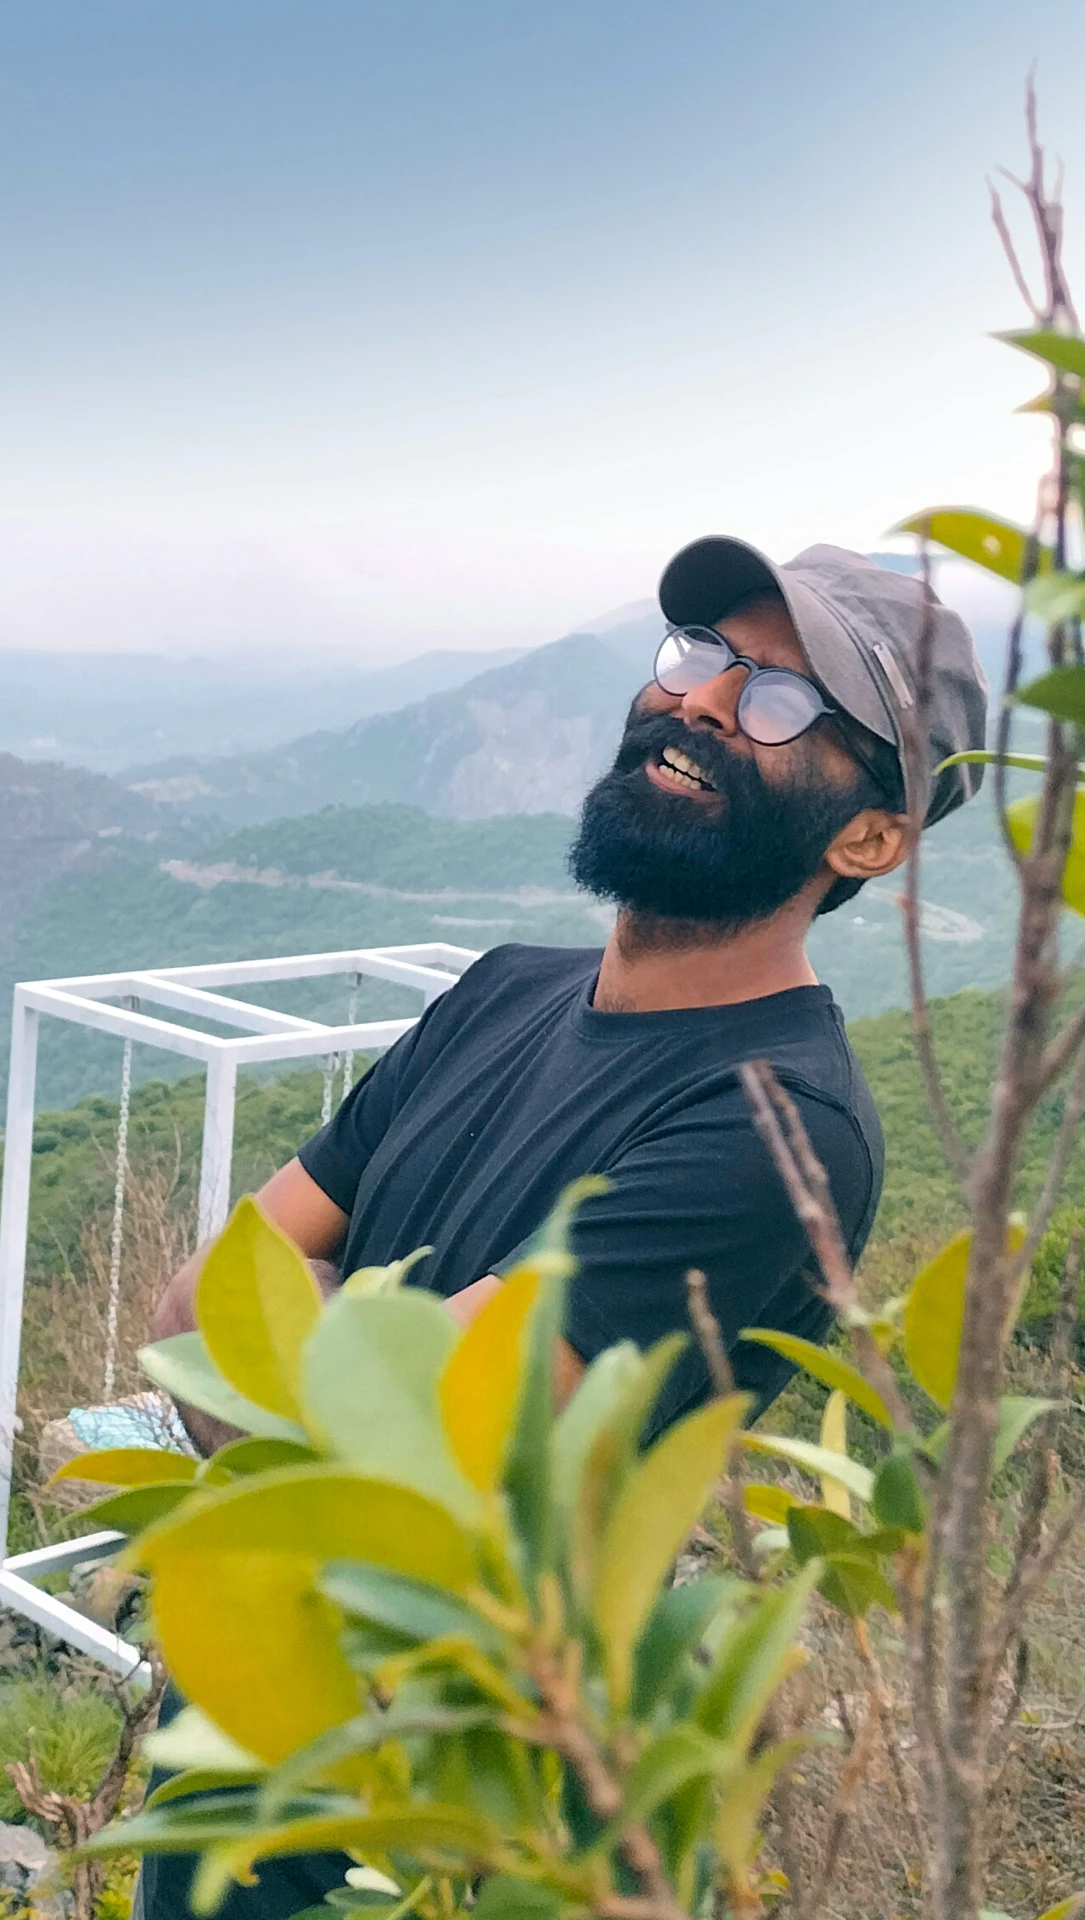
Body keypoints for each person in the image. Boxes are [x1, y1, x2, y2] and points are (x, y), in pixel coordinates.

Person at [136, 534, 986, 1920]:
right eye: (704, 657)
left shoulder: (779, 1125)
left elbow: (386, 1445)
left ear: (871, 835)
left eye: (780, 698)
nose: (706, 701)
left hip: (430, 1834)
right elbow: (193, 1311)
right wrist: (341, 1364)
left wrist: (309, 1330)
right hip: (229, 1750)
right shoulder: (500, 990)